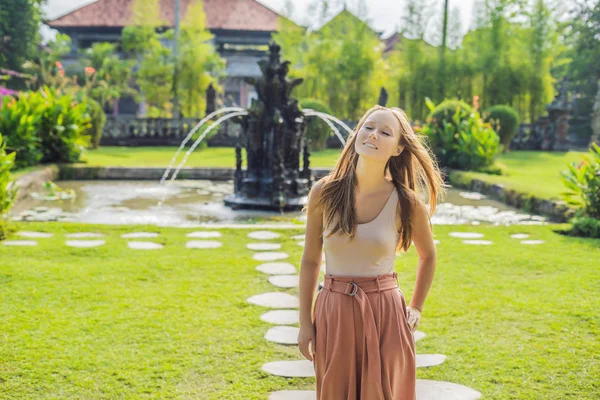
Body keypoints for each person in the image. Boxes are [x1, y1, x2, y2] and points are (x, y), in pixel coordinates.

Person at [297, 105, 444, 399]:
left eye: (385, 132)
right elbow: (311, 260)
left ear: (399, 147)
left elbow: (428, 257)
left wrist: (415, 307)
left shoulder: (407, 202)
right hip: (334, 310)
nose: (373, 135)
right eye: (368, 127)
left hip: (386, 313)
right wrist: (304, 324)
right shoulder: (324, 192)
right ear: (356, 134)